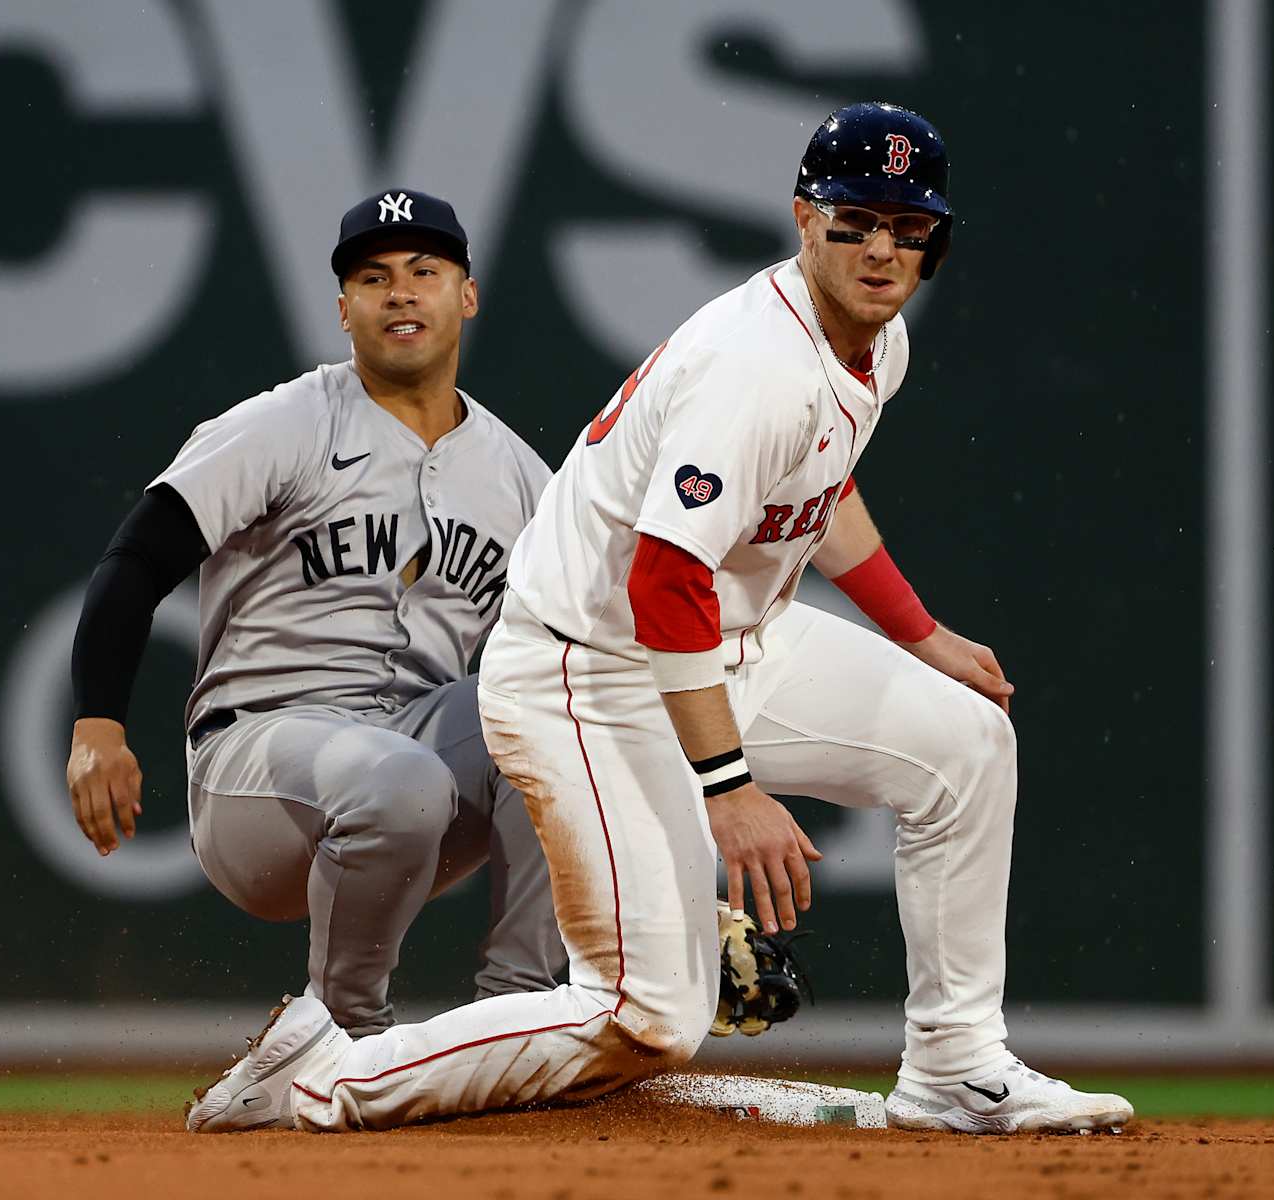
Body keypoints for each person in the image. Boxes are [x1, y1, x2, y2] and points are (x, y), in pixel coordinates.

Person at [184, 103, 1133, 1137]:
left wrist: (921, 634)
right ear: (804, 219)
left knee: (967, 745)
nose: (881, 247)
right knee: (647, 1017)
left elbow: (821, 493)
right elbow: (660, 583)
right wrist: (724, 789)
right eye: (855, 219)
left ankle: (956, 1065)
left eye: (908, 228)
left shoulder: (875, 343)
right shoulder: (755, 367)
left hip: (728, 643)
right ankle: (330, 1072)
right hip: (593, 674)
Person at [65, 188, 566, 1048]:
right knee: (401, 779)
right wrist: (97, 722)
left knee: (566, 708)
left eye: (425, 271)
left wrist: (658, 861)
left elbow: (596, 661)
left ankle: (517, 1022)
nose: (402, 292)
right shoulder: (283, 425)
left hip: (411, 764)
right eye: (375, 278)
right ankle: (339, 1041)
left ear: (467, 294)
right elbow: (136, 561)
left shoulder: (525, 479)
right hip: (259, 764)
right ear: (344, 310)